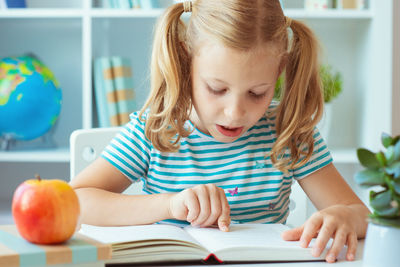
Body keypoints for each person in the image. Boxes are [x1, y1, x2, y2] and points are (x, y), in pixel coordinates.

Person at [70, 0, 370, 263]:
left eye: (257, 93)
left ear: (279, 72)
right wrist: (170, 204)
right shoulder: (156, 130)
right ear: (186, 63)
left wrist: (344, 217)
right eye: (217, 88)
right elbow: (75, 200)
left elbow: (362, 216)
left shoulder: (288, 132)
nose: (235, 112)